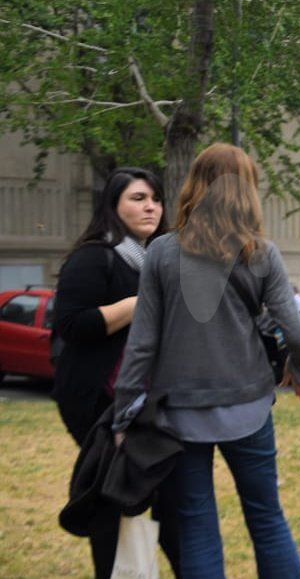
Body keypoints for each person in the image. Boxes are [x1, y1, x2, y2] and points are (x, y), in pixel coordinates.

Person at [113, 143, 300, 577]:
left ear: (195, 185)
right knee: (267, 517)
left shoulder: (162, 252)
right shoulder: (260, 252)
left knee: (196, 524)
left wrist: (125, 413)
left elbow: (142, 341)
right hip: (248, 406)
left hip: (180, 413)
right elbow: (297, 331)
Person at [52, 167, 178, 577]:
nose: (151, 207)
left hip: (147, 398)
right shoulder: (95, 256)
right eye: (138, 198)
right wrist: (140, 302)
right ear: (113, 204)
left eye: (156, 199)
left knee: (157, 495)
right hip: (98, 403)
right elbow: (71, 324)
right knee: (113, 495)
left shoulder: (157, 258)